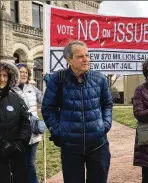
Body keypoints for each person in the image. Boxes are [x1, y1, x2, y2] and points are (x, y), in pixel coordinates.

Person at [41, 41, 113, 183]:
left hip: (98, 144)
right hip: (71, 147)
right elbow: (48, 108)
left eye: (87, 55)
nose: (86, 59)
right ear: (69, 60)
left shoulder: (100, 78)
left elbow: (108, 104)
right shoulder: (58, 79)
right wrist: (57, 131)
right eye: (80, 56)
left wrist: (105, 125)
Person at [0, 61, 31, 183]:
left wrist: (21, 142)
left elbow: (25, 121)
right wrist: (3, 145)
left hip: (17, 152)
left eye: (5, 75)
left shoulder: (15, 97)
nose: (2, 79)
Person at [12, 63, 43, 183]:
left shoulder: (32, 88)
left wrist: (49, 83)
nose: (24, 74)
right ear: (15, 73)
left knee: (31, 163)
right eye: (21, 71)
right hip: (18, 132)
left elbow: (46, 100)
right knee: (19, 162)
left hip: (34, 133)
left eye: (25, 72)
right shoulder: (10, 90)